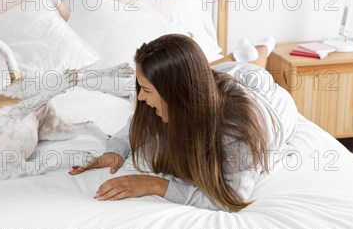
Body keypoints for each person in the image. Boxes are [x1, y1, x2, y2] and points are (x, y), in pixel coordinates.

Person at [69, 34, 299, 212]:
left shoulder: (238, 133)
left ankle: (263, 49)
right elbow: (136, 124)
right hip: (223, 76)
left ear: (177, 93)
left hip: (269, 101)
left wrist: (154, 185)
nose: (140, 98)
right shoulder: (182, 95)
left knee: (256, 68)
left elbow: (232, 197)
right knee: (226, 68)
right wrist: (116, 151)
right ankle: (244, 55)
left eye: (147, 90)